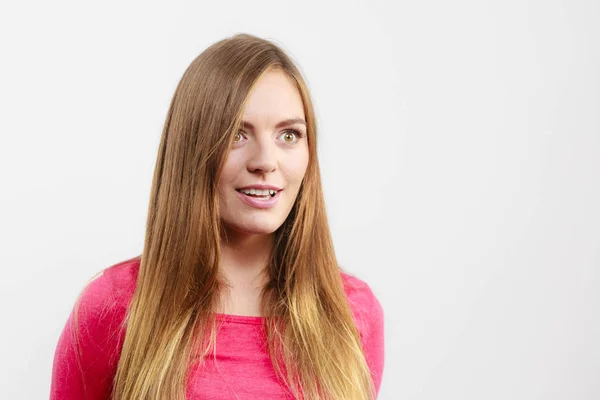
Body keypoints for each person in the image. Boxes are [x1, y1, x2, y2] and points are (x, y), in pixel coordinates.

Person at [50, 33, 384, 400]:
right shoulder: (114, 306)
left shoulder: (353, 312)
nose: (265, 162)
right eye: (237, 134)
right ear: (193, 148)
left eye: (289, 135)